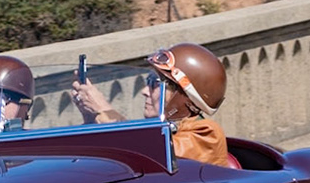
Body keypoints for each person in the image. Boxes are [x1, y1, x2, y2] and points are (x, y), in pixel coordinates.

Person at [70, 43, 230, 167]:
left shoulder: (207, 134)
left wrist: (103, 110)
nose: (144, 91)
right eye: (148, 81)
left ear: (183, 96)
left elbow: (154, 151)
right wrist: (92, 118)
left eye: (155, 83)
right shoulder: (161, 129)